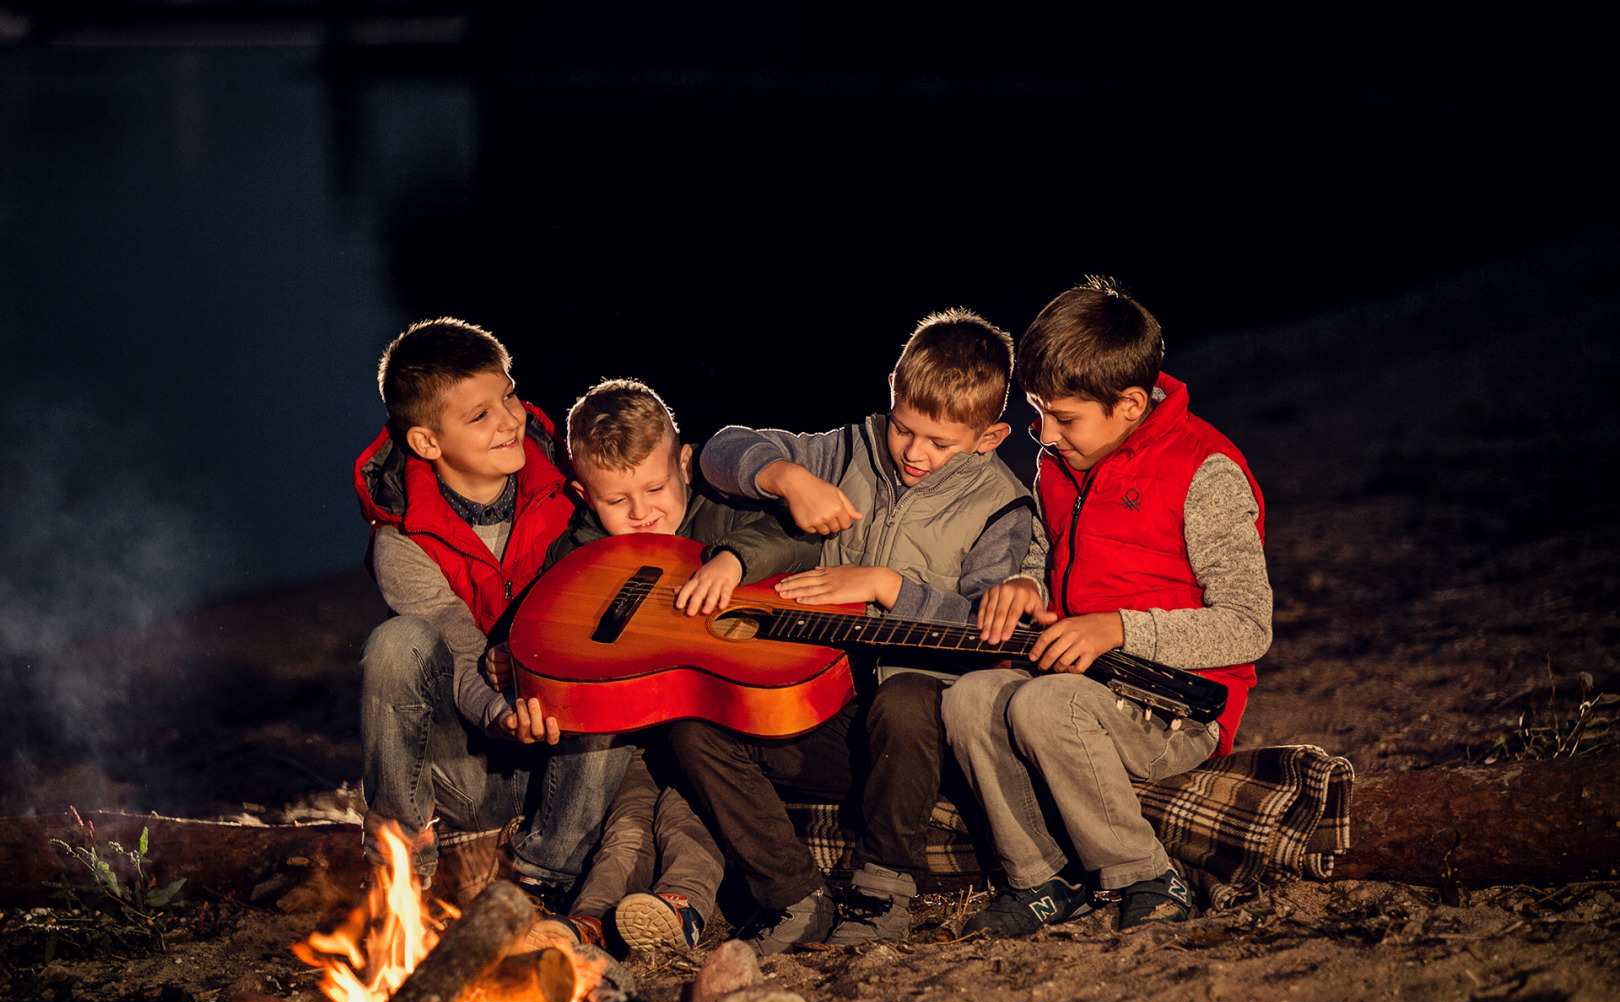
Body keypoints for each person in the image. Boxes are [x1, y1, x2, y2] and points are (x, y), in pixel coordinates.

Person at [675, 308, 1035, 952]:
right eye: (904, 429)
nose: (915, 453)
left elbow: (991, 627)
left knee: (905, 701)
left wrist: (885, 587)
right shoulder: (846, 450)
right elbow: (721, 449)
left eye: (941, 442)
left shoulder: (1001, 505)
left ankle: (882, 888)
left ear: (988, 436)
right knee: (698, 723)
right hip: (823, 709)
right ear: (890, 392)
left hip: (916, 738)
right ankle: (793, 897)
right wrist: (786, 477)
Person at [940, 276, 1272, 936]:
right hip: (1080, 683)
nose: (1044, 435)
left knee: (1043, 703)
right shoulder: (1062, 465)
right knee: (970, 698)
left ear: (1127, 403)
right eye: (1038, 414)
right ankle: (1041, 879)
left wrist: (1119, 628)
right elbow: (1042, 544)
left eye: (1063, 419)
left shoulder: (1204, 471)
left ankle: (1146, 872)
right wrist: (1028, 584)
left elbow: (1248, 624)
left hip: (1177, 703)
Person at [487, 377, 824, 950]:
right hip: (634, 738)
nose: (642, 513)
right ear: (584, 495)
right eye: (617, 501)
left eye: (655, 488)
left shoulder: (720, 514)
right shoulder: (580, 553)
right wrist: (516, 655)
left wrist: (733, 562)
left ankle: (682, 905)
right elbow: (551, 622)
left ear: (686, 465)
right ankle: (590, 917)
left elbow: (793, 537)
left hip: (714, 728)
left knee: (688, 814)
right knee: (626, 824)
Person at [352, 317, 575, 889]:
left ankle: (551, 871)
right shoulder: (402, 541)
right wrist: (502, 713)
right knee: (397, 644)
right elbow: (458, 644)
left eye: (509, 397)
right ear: (426, 442)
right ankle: (402, 872)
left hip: (567, 755)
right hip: (470, 772)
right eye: (480, 417)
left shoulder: (572, 487)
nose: (510, 423)